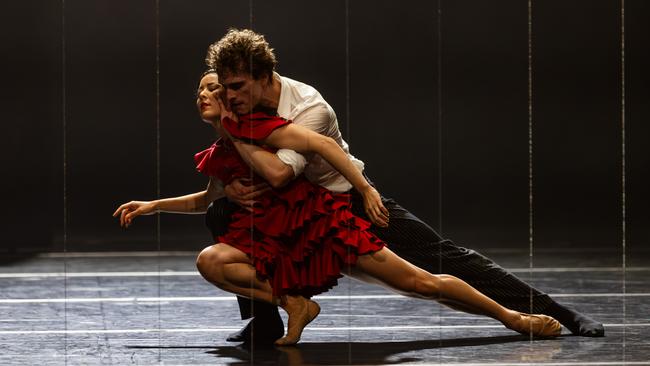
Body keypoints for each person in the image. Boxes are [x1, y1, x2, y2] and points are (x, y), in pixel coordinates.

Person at [201, 28, 604, 343]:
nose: (229, 96)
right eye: (225, 87)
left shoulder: (308, 108)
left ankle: (559, 312)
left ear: (265, 77)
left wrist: (230, 129)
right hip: (291, 211)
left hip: (345, 201)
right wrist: (231, 188)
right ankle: (268, 319)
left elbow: (280, 174)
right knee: (221, 211)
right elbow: (238, 170)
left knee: (444, 259)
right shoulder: (242, 107)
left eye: (237, 87)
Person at [115, 71, 562, 346]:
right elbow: (207, 198)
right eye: (204, 89)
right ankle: (291, 305)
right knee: (212, 258)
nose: (209, 95)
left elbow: (318, 147)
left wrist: (365, 189)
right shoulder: (222, 148)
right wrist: (152, 205)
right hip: (279, 236)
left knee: (421, 282)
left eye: (218, 87)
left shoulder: (262, 125)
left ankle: (513, 316)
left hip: (322, 219)